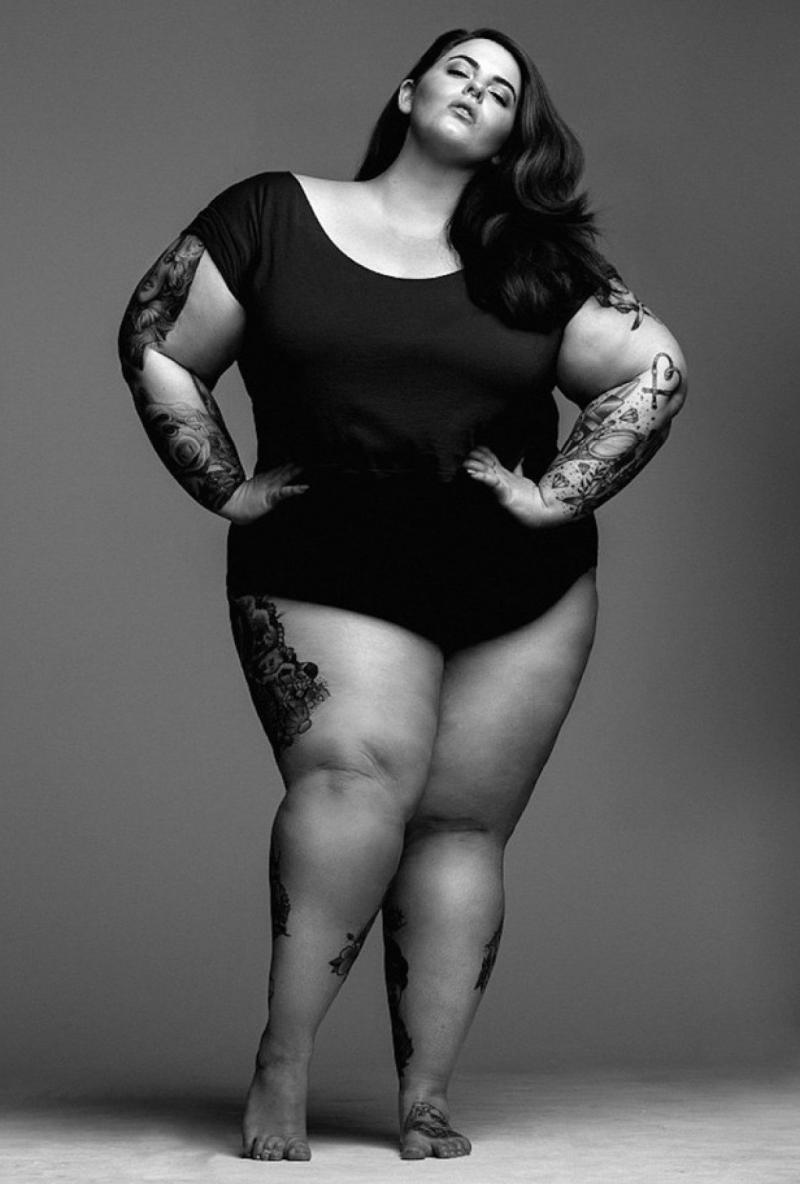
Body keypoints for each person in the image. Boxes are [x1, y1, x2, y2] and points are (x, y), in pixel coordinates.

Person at [117, 26, 687, 1162]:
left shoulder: (535, 262)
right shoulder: (271, 216)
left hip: (517, 587)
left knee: (461, 826)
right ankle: (283, 1058)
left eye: (502, 89)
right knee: (352, 785)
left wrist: (557, 495)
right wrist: (219, 482)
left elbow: (652, 370)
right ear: (410, 89)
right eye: (458, 69)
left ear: (511, 134)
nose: (476, 90)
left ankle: (423, 1098)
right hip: (330, 560)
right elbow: (157, 339)